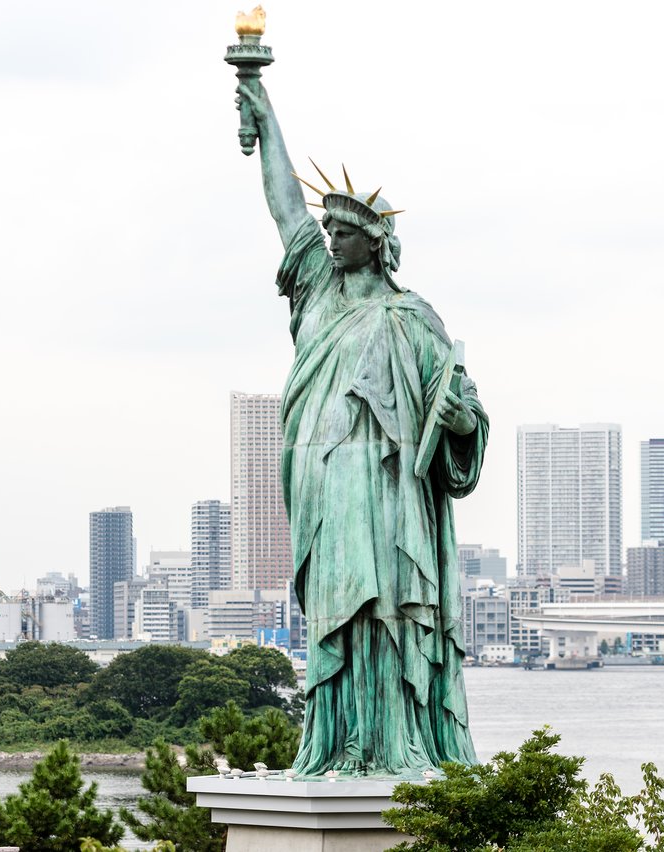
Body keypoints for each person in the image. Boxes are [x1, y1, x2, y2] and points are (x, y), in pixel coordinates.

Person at [236, 80, 488, 778]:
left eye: (344, 234)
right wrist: (265, 113)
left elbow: (459, 414)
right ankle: (340, 740)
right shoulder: (317, 292)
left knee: (385, 611)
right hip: (323, 483)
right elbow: (286, 207)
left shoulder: (415, 320)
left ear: (375, 244)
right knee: (336, 616)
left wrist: (463, 422)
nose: (330, 242)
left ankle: (393, 741)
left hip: (385, 489)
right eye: (330, 234)